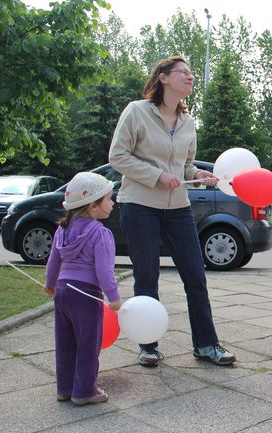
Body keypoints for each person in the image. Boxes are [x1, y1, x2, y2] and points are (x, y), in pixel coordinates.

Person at [108, 56, 235, 367]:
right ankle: (147, 345)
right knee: (147, 275)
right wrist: (156, 176)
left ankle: (206, 345)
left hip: (178, 207)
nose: (190, 78)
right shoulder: (137, 111)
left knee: (195, 275)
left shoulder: (188, 121)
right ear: (163, 78)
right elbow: (117, 156)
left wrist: (199, 173)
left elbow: (185, 165)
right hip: (139, 205)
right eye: (184, 73)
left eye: (191, 73)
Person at [44, 172, 122, 406]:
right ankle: (84, 391)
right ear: (93, 205)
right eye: (108, 198)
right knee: (88, 344)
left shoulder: (63, 229)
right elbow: (104, 270)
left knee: (65, 343)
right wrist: (114, 297)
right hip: (86, 296)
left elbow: (53, 261)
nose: (113, 202)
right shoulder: (100, 233)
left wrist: (49, 284)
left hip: (63, 292)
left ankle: (65, 389)